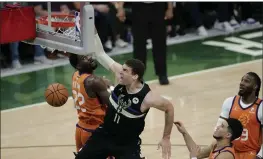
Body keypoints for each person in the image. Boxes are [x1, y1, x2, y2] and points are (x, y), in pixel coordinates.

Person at [74, 31, 174, 159]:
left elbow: (169, 108)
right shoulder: (120, 75)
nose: (120, 72)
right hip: (104, 135)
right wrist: (93, 32)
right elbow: (100, 53)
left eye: (125, 71)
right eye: (121, 69)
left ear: (135, 76)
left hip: (127, 145)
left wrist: (166, 137)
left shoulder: (148, 98)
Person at [69, 53, 112, 152]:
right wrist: (111, 87)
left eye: (88, 55)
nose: (90, 58)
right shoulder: (94, 81)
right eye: (84, 58)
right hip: (95, 131)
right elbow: (113, 106)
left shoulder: (75, 75)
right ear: (78, 65)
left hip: (80, 128)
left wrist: (101, 82)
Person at [216, 72, 262, 159]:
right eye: (242, 80)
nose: (242, 83)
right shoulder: (229, 102)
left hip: (251, 154)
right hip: (230, 152)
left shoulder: (261, 107)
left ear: (255, 86)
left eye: (246, 81)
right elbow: (218, 130)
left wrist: (259, 157)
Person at [174, 118, 243, 159]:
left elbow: (194, 155)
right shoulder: (215, 145)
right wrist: (184, 132)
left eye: (222, 126)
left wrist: (193, 158)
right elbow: (197, 153)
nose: (218, 127)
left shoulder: (226, 155)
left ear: (228, 135)